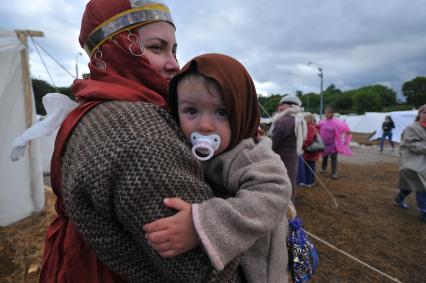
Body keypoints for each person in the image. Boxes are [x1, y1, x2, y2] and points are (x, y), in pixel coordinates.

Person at [39, 1, 242, 282]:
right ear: (116, 48)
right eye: (157, 48)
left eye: (174, 50)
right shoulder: (140, 135)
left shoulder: (94, 109)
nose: (174, 64)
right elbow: (204, 270)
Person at [144, 53, 292, 283]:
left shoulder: (250, 154)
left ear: (242, 111)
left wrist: (202, 225)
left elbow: (275, 192)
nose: (204, 125)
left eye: (221, 112)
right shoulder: (188, 147)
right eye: (191, 111)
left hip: (262, 273)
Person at [270, 95, 307, 204]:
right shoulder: (298, 119)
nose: (279, 107)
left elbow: (273, 143)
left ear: (290, 106)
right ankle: (290, 211)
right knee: (290, 184)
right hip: (292, 159)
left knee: (282, 186)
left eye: (282, 105)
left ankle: (286, 213)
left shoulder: (285, 120)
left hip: (282, 160)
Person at [394, 105, 426, 222]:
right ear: (420, 113)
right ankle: (424, 211)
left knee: (412, 185)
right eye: (424, 112)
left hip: (423, 161)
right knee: (421, 185)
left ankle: (400, 197)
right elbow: (413, 145)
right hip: (414, 161)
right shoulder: (412, 128)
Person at [318, 106, 352, 179]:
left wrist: (347, 134)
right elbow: (318, 128)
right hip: (324, 143)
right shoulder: (322, 121)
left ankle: (334, 173)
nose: (326, 114)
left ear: (331, 113)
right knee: (324, 157)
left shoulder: (336, 122)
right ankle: (323, 169)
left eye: (328, 113)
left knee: (333, 159)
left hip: (333, 144)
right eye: (325, 113)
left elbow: (345, 129)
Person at [301, 113, 322, 187]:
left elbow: (309, 140)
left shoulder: (309, 127)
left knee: (308, 167)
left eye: (305, 118)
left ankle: (308, 182)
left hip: (310, 151)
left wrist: (302, 145)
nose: (304, 119)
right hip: (313, 151)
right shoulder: (313, 126)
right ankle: (311, 182)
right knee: (311, 166)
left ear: (309, 119)